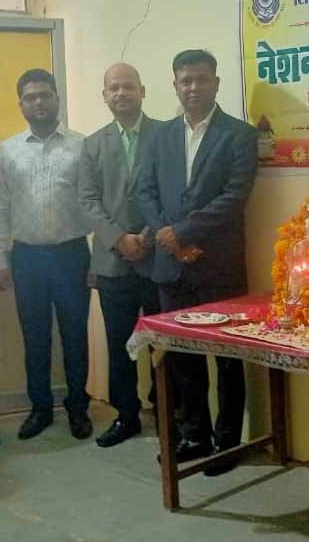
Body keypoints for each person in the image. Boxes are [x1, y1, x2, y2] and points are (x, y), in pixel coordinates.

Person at [136, 49, 258, 476]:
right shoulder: (160, 136)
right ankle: (194, 436)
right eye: (185, 80)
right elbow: (145, 192)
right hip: (172, 267)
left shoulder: (239, 135)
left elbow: (234, 197)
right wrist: (169, 238)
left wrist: (184, 233)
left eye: (201, 79)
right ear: (175, 85)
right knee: (183, 358)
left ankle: (227, 442)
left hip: (219, 265)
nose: (193, 87)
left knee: (228, 358)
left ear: (216, 83)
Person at [0, 69, 92, 441]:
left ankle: (78, 407)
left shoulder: (82, 146)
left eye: (45, 95)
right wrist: (0, 259)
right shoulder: (8, 151)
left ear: (57, 99)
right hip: (27, 257)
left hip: (71, 254)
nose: (38, 102)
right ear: (21, 104)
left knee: (75, 335)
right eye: (30, 97)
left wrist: (97, 257)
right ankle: (40, 408)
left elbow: (94, 204)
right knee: (35, 337)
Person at [77, 63, 161, 448]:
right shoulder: (92, 144)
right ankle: (127, 416)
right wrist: (118, 239)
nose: (121, 93)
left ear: (142, 90)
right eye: (114, 88)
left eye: (128, 86)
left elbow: (173, 192)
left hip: (157, 258)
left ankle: (168, 412)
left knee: (163, 344)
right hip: (112, 263)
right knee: (118, 345)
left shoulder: (166, 135)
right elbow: (87, 201)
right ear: (105, 96)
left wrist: (145, 237)